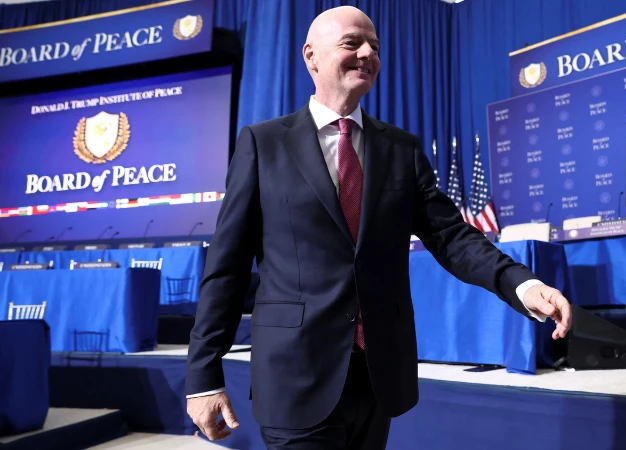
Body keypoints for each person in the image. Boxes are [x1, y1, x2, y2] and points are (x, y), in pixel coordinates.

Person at [185, 5, 572, 449]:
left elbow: (452, 237)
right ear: (311, 56)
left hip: (378, 378)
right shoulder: (263, 144)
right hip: (295, 378)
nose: (368, 53)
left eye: (375, 46)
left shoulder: (400, 150)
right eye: (352, 43)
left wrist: (522, 284)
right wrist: (203, 376)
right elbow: (227, 269)